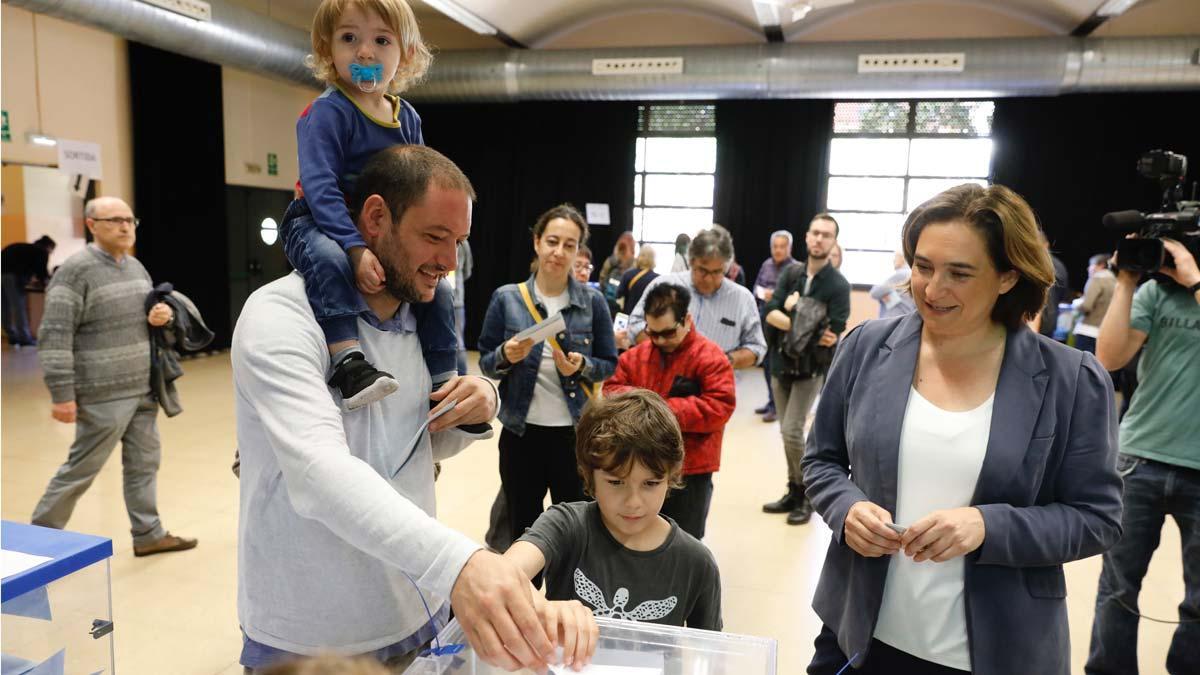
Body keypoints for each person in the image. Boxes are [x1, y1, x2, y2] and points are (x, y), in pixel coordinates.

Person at [234, 146, 593, 674]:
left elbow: (423, 443)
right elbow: (318, 473)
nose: (449, 262)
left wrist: (481, 398)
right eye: (434, 237)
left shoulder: (421, 320)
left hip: (410, 610)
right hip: (311, 635)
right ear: (376, 218)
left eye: (458, 242)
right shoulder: (281, 317)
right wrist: (460, 564)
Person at [803, 184, 1122, 675]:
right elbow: (821, 460)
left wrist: (987, 526)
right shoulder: (867, 347)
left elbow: (1097, 518)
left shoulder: (1070, 380)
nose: (931, 290)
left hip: (995, 650)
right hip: (858, 636)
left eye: (959, 273)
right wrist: (846, 509)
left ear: (1007, 277)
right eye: (923, 266)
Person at [284, 0, 460, 411]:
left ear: (406, 55)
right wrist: (354, 247)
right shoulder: (327, 112)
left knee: (440, 287)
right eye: (350, 39)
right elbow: (320, 187)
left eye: (382, 40)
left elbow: (417, 185)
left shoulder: (407, 118)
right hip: (317, 221)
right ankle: (347, 360)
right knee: (330, 262)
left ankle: (444, 380)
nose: (365, 52)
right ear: (328, 50)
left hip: (378, 227)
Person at [31, 197, 197, 557]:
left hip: (143, 389)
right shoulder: (75, 271)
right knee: (81, 469)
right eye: (114, 220)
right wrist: (61, 394)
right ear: (92, 225)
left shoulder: (136, 267)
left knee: (143, 465)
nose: (125, 226)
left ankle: (148, 534)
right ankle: (36, 545)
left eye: (129, 219)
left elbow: (148, 320)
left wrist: (161, 316)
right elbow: (55, 333)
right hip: (102, 393)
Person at [503, 390, 723, 631]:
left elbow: (711, 651)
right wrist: (542, 610)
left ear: (670, 478)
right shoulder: (565, 526)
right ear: (589, 476)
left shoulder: (696, 562)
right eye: (616, 482)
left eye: (650, 484)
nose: (633, 502)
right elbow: (504, 575)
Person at [1086, 237, 1200, 675]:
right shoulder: (1155, 294)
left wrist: (1193, 279)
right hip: (1140, 458)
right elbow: (1109, 357)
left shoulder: (1188, 284)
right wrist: (1128, 282)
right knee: (1117, 588)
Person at [478, 204, 618, 555]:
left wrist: (581, 365)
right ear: (537, 242)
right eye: (553, 241)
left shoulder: (593, 303)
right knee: (523, 528)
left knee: (575, 527)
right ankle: (526, 603)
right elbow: (486, 364)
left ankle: (567, 602)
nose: (559, 252)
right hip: (520, 434)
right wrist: (505, 356)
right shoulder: (507, 298)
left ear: (578, 252)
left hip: (574, 434)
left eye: (569, 245)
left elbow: (609, 365)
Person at [604, 283, 736, 540]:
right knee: (636, 540)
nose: (660, 341)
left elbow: (720, 407)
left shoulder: (711, 357)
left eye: (667, 333)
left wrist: (655, 408)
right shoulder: (636, 356)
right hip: (638, 467)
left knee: (684, 544)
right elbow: (611, 388)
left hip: (690, 469)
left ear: (686, 320)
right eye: (653, 334)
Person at [760, 214, 850, 526]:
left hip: (811, 370)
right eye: (815, 232)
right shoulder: (792, 273)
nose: (819, 239)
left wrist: (792, 311)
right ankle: (793, 490)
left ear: (833, 241)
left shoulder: (838, 285)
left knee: (791, 431)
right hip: (781, 364)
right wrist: (805, 322)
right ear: (807, 236)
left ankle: (808, 495)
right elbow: (768, 311)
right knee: (788, 434)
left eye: (826, 235)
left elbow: (833, 331)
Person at [626, 225, 766, 371]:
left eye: (717, 272)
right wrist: (664, 350)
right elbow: (635, 325)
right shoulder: (664, 285)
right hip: (660, 382)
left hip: (717, 385)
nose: (709, 279)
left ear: (727, 266)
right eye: (703, 271)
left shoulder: (742, 299)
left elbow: (757, 347)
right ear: (691, 261)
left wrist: (726, 360)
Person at [753, 230, 800, 423]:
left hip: (784, 324)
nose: (778, 250)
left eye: (782, 246)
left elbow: (797, 297)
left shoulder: (797, 269)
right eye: (775, 246)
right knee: (766, 363)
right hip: (765, 321)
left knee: (778, 365)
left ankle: (778, 405)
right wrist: (761, 293)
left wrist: (776, 297)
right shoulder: (766, 265)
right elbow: (756, 287)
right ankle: (771, 401)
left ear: (789, 248)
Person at [2, 235, 56, 346]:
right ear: (49, 247)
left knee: (4, 307)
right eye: (51, 251)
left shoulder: (25, 248)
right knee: (18, 307)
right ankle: (24, 339)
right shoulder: (41, 251)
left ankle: (12, 336)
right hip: (12, 277)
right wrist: (48, 284)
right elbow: (42, 273)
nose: (50, 253)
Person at [1072, 253, 1116, 355]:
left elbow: (1087, 306)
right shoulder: (1115, 281)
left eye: (1091, 265)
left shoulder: (1097, 279)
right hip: (1104, 332)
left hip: (1088, 330)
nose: (1088, 269)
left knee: (1080, 366)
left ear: (1101, 265)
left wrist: (1076, 305)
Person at [1036, 230, 1070, 340]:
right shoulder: (1059, 265)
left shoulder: (1042, 263)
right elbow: (1063, 295)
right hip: (1049, 321)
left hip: (1039, 322)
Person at [869, 250, 916, 319]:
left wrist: (885, 294)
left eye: (896, 258)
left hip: (894, 318)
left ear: (903, 258)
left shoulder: (901, 274)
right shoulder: (911, 273)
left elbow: (874, 292)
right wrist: (890, 294)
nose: (893, 261)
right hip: (906, 317)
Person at [451, 239, 473, 375]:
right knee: (458, 343)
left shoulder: (462, 242)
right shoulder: (464, 242)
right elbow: (467, 271)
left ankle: (463, 379)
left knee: (457, 344)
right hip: (456, 298)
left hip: (455, 300)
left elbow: (467, 270)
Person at [616, 246, 658, 313]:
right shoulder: (657, 279)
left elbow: (619, 294)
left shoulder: (628, 275)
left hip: (629, 315)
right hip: (647, 318)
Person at [599, 232, 636, 303]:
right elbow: (602, 278)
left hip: (610, 299)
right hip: (618, 300)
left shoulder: (611, 260)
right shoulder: (634, 263)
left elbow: (602, 277)